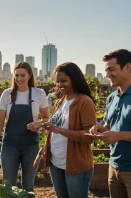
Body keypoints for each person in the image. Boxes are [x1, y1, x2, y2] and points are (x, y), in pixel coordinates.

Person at [90, 49, 131, 198]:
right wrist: (99, 129)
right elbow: (109, 125)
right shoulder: (112, 97)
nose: (107, 74)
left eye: (111, 69)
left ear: (127, 67)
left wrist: (120, 136)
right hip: (114, 167)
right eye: (106, 70)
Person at [0, 62, 49, 192]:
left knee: (28, 187)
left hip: (31, 144)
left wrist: (38, 124)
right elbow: (0, 122)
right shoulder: (7, 94)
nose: (19, 78)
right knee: (8, 186)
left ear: (29, 75)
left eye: (22, 75)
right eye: (16, 75)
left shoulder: (39, 94)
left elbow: (46, 117)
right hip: (10, 144)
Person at [42, 62, 96, 198]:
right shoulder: (60, 101)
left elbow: (89, 136)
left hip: (76, 165)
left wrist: (59, 130)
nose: (60, 85)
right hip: (56, 162)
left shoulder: (84, 102)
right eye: (57, 81)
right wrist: (43, 149)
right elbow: (55, 128)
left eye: (64, 81)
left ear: (75, 79)